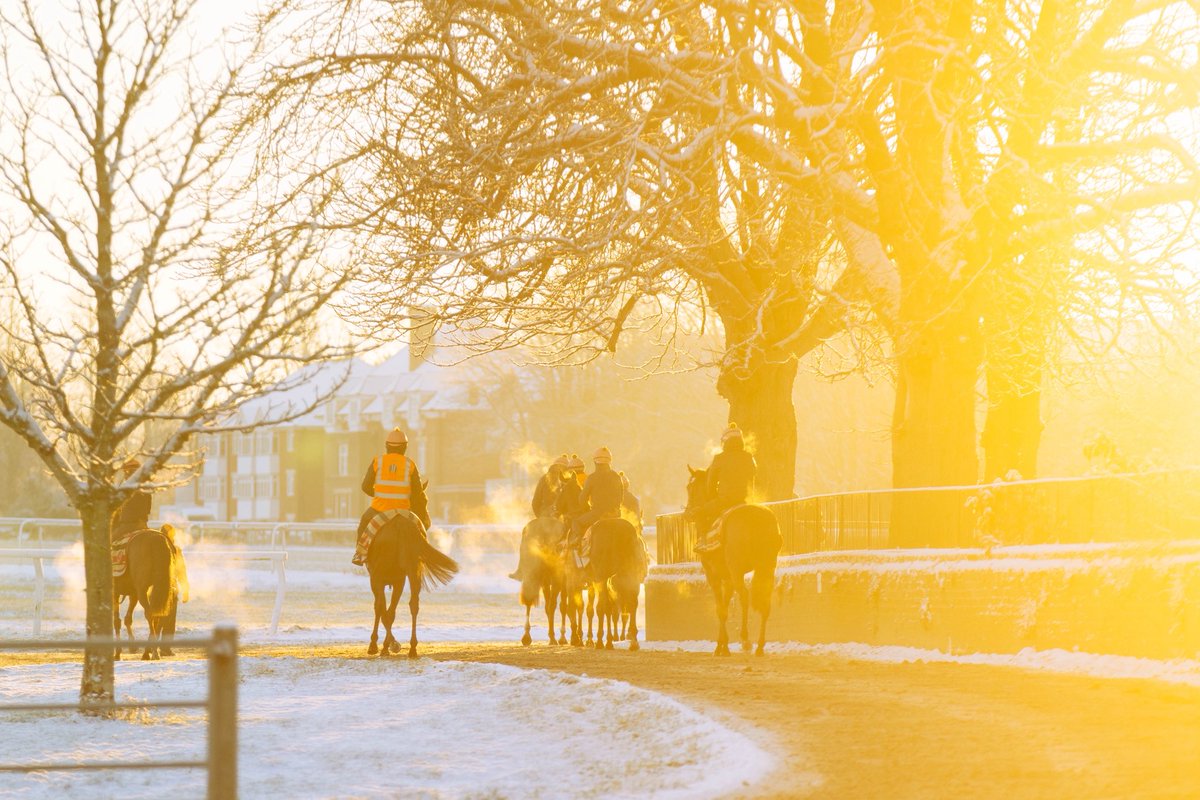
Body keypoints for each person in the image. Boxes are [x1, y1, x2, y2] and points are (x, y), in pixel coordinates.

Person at [351, 427, 431, 566]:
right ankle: (424, 555)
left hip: (379, 509)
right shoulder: (410, 464)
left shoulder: (378, 462)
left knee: (364, 523)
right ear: (405, 447)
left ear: (387, 446)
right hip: (403, 512)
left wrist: (380, 495)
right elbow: (418, 492)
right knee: (421, 529)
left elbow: (365, 487)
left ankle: (360, 554)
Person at [695, 423, 757, 546]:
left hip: (724, 501)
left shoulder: (719, 459)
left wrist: (712, 498)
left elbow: (710, 485)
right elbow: (754, 479)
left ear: (725, 442)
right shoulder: (749, 457)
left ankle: (703, 543)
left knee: (700, 513)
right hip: (746, 501)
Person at [509, 453, 569, 581]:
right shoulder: (569, 481)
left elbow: (535, 502)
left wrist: (541, 518)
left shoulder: (545, 478)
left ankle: (521, 570)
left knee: (526, 535)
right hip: (562, 520)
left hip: (543, 517)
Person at [571, 446, 624, 547]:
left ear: (595, 462)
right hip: (616, 515)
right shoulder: (617, 477)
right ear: (609, 461)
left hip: (597, 514)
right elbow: (621, 498)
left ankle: (578, 543)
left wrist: (585, 508)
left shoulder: (592, 478)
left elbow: (582, 499)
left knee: (576, 522)